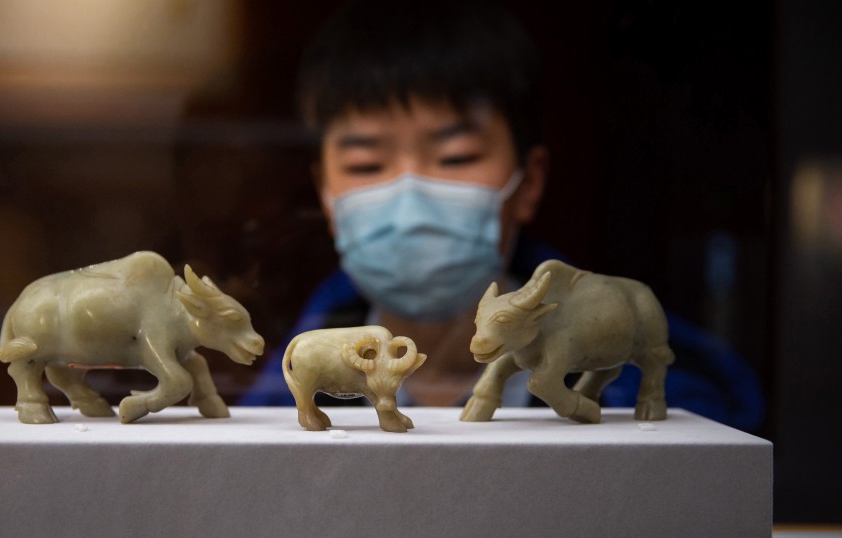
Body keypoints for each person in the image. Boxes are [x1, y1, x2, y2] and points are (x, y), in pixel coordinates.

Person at [241, 0, 763, 431]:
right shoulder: (271, 402)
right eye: (365, 163)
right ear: (326, 195)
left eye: (456, 157)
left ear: (528, 182)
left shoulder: (698, 401)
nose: (410, 195)